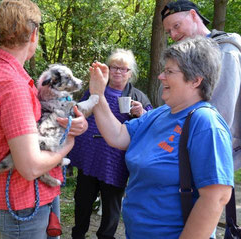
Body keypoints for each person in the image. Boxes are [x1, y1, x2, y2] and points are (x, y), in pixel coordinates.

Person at [89, 36, 234, 238]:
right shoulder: (161, 113)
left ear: (195, 80)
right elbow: (118, 135)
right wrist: (98, 94)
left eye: (169, 71)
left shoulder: (206, 123)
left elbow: (217, 196)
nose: (161, 77)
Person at [0, 1, 88, 238]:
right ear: (34, 34)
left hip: (31, 200)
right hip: (23, 206)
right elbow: (30, 167)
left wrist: (72, 123)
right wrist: (66, 147)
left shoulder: (8, 73)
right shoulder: (12, 84)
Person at [68, 49, 152, 239]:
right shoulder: (94, 90)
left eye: (123, 69)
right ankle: (77, 234)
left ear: (130, 73)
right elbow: (79, 113)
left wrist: (142, 114)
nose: (118, 72)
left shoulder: (138, 96)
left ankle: (106, 237)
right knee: (82, 200)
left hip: (116, 161)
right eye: (114, 67)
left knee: (111, 205)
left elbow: (152, 126)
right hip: (90, 155)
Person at [160, 0, 241, 169]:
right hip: (185, 149)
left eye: (176, 26)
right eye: (168, 32)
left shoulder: (225, 51)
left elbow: (221, 111)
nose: (173, 35)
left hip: (212, 153)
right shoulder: (182, 57)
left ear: (193, 15)